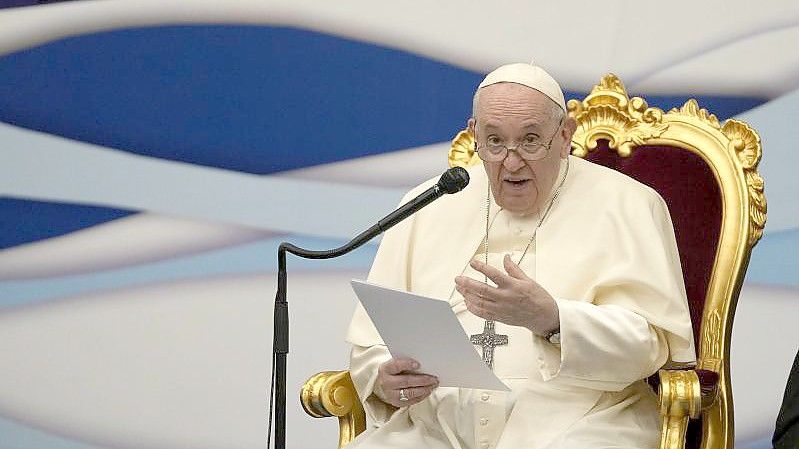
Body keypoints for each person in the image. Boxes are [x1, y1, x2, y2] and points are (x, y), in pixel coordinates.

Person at [345, 63, 696, 449]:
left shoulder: (629, 204)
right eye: (494, 142)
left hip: (586, 420)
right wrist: (384, 377)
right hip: (437, 426)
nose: (511, 162)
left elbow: (649, 348)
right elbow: (370, 345)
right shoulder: (429, 203)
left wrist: (551, 319)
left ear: (565, 136)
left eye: (530, 141)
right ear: (474, 135)